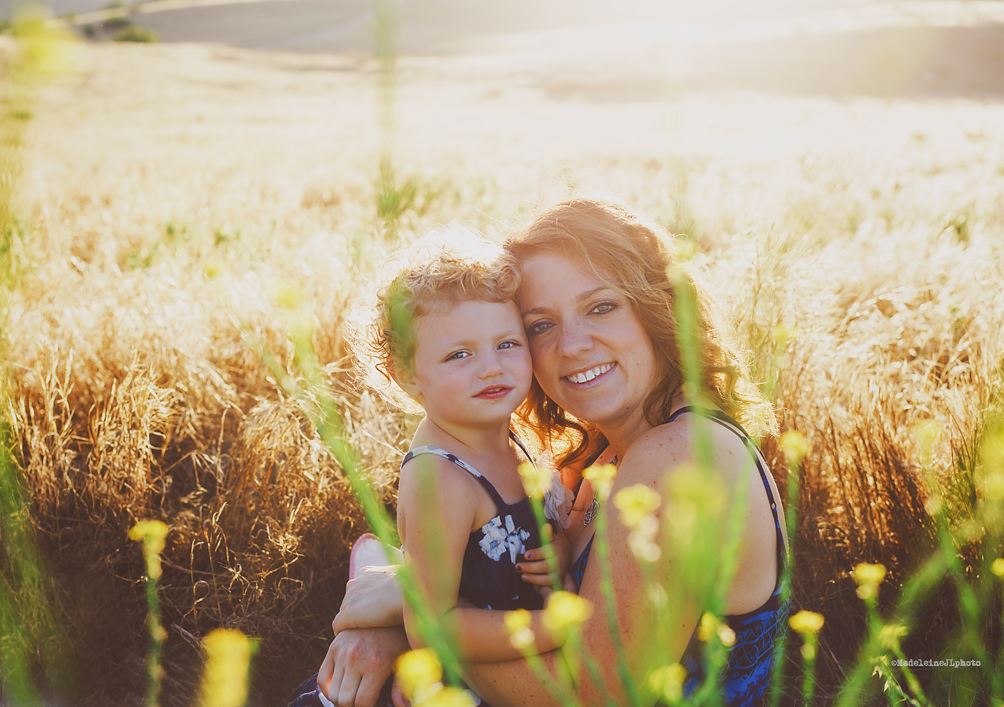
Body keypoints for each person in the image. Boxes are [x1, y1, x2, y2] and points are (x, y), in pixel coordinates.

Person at [316, 198, 789, 707]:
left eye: (601, 307)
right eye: (541, 324)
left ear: (657, 307)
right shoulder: (605, 453)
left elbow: (593, 693)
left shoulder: (679, 455)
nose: (573, 344)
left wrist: (413, 628)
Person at [290, 228, 577, 707]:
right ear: (408, 377)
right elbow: (431, 625)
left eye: (507, 343)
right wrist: (551, 627)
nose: (491, 367)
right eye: (459, 355)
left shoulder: (509, 431)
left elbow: (536, 524)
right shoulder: (441, 478)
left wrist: (559, 551)